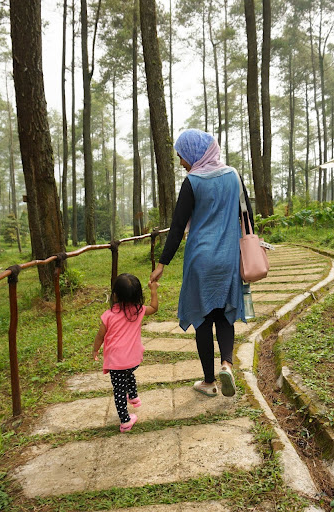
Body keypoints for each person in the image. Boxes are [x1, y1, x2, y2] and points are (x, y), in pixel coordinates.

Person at [150, 129, 254, 399]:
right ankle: (227, 365)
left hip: (200, 259)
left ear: (194, 152)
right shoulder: (234, 176)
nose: (181, 162)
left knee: (204, 319)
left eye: (182, 156)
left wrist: (162, 263)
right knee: (225, 314)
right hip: (229, 257)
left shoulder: (192, 181)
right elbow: (248, 216)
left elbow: (176, 228)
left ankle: (209, 382)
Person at [93, 273, 159, 432]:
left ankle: (125, 421)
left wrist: (95, 349)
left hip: (116, 362)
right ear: (137, 295)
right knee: (129, 374)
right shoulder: (139, 311)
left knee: (119, 391)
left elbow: (100, 335)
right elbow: (155, 307)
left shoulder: (108, 316)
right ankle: (134, 396)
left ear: (115, 295)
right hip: (134, 360)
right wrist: (154, 290)